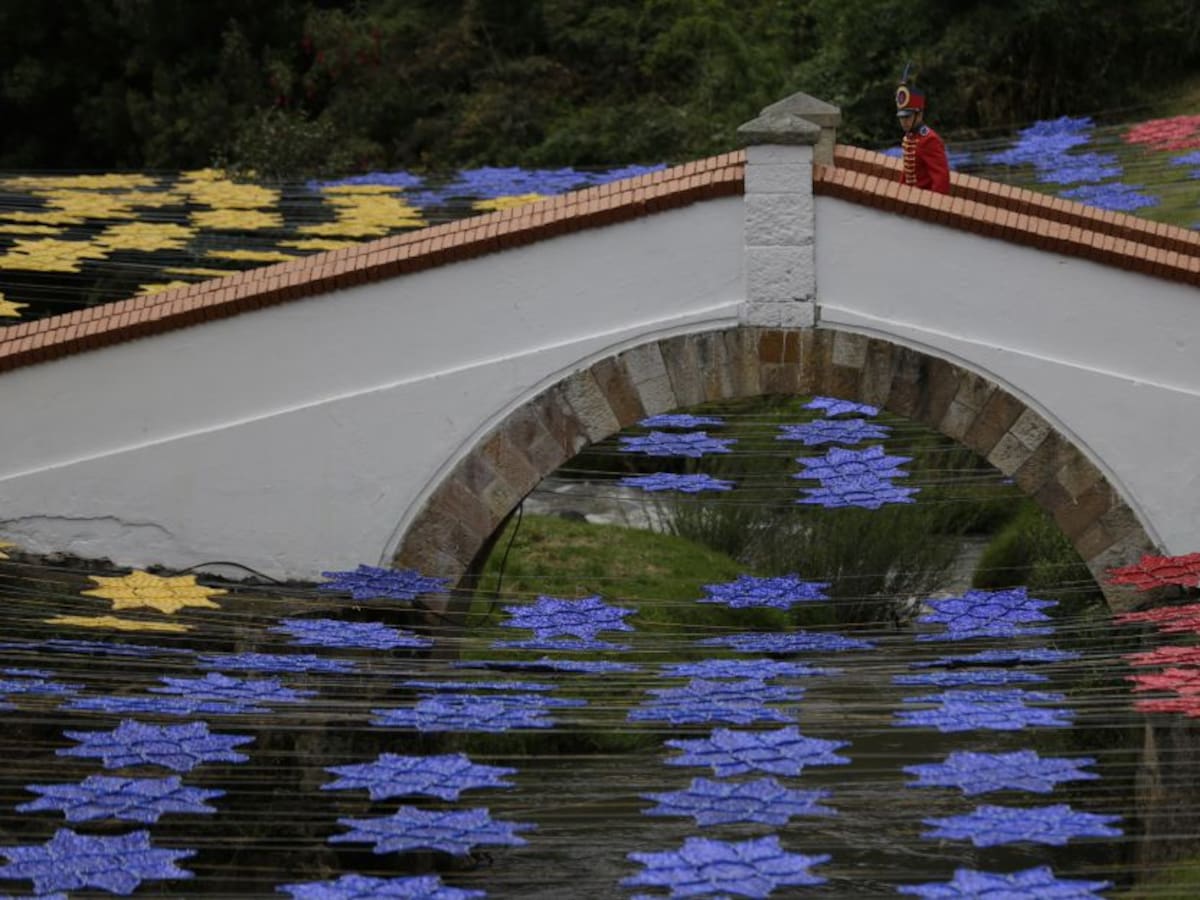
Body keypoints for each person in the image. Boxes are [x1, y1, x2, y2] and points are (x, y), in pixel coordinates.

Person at [895, 68, 950, 194]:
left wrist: (932, 209)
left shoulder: (929, 139)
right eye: (901, 118)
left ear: (919, 115)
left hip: (924, 201)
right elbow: (908, 174)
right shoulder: (909, 137)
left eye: (907, 117)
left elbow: (941, 179)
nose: (903, 121)